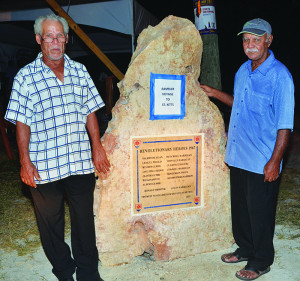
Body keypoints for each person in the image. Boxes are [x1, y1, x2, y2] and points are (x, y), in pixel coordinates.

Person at [5, 14, 110, 281]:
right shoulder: (25, 77)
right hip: (45, 164)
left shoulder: (80, 71)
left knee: (84, 220)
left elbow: (90, 112)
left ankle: (88, 272)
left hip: (78, 159)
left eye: (59, 36)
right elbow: (21, 123)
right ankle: (64, 269)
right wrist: (24, 161)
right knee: (50, 223)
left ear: (66, 39)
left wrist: (96, 147)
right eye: (49, 36)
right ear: (39, 40)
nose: (55, 41)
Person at [201, 18, 294, 280]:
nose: (250, 45)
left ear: (269, 40)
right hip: (238, 154)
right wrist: (214, 93)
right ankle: (245, 248)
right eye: (246, 40)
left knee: (260, 213)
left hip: (262, 157)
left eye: (256, 39)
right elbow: (239, 104)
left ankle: (261, 260)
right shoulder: (243, 70)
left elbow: (285, 125)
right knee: (241, 210)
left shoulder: (280, 77)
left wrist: (275, 161)